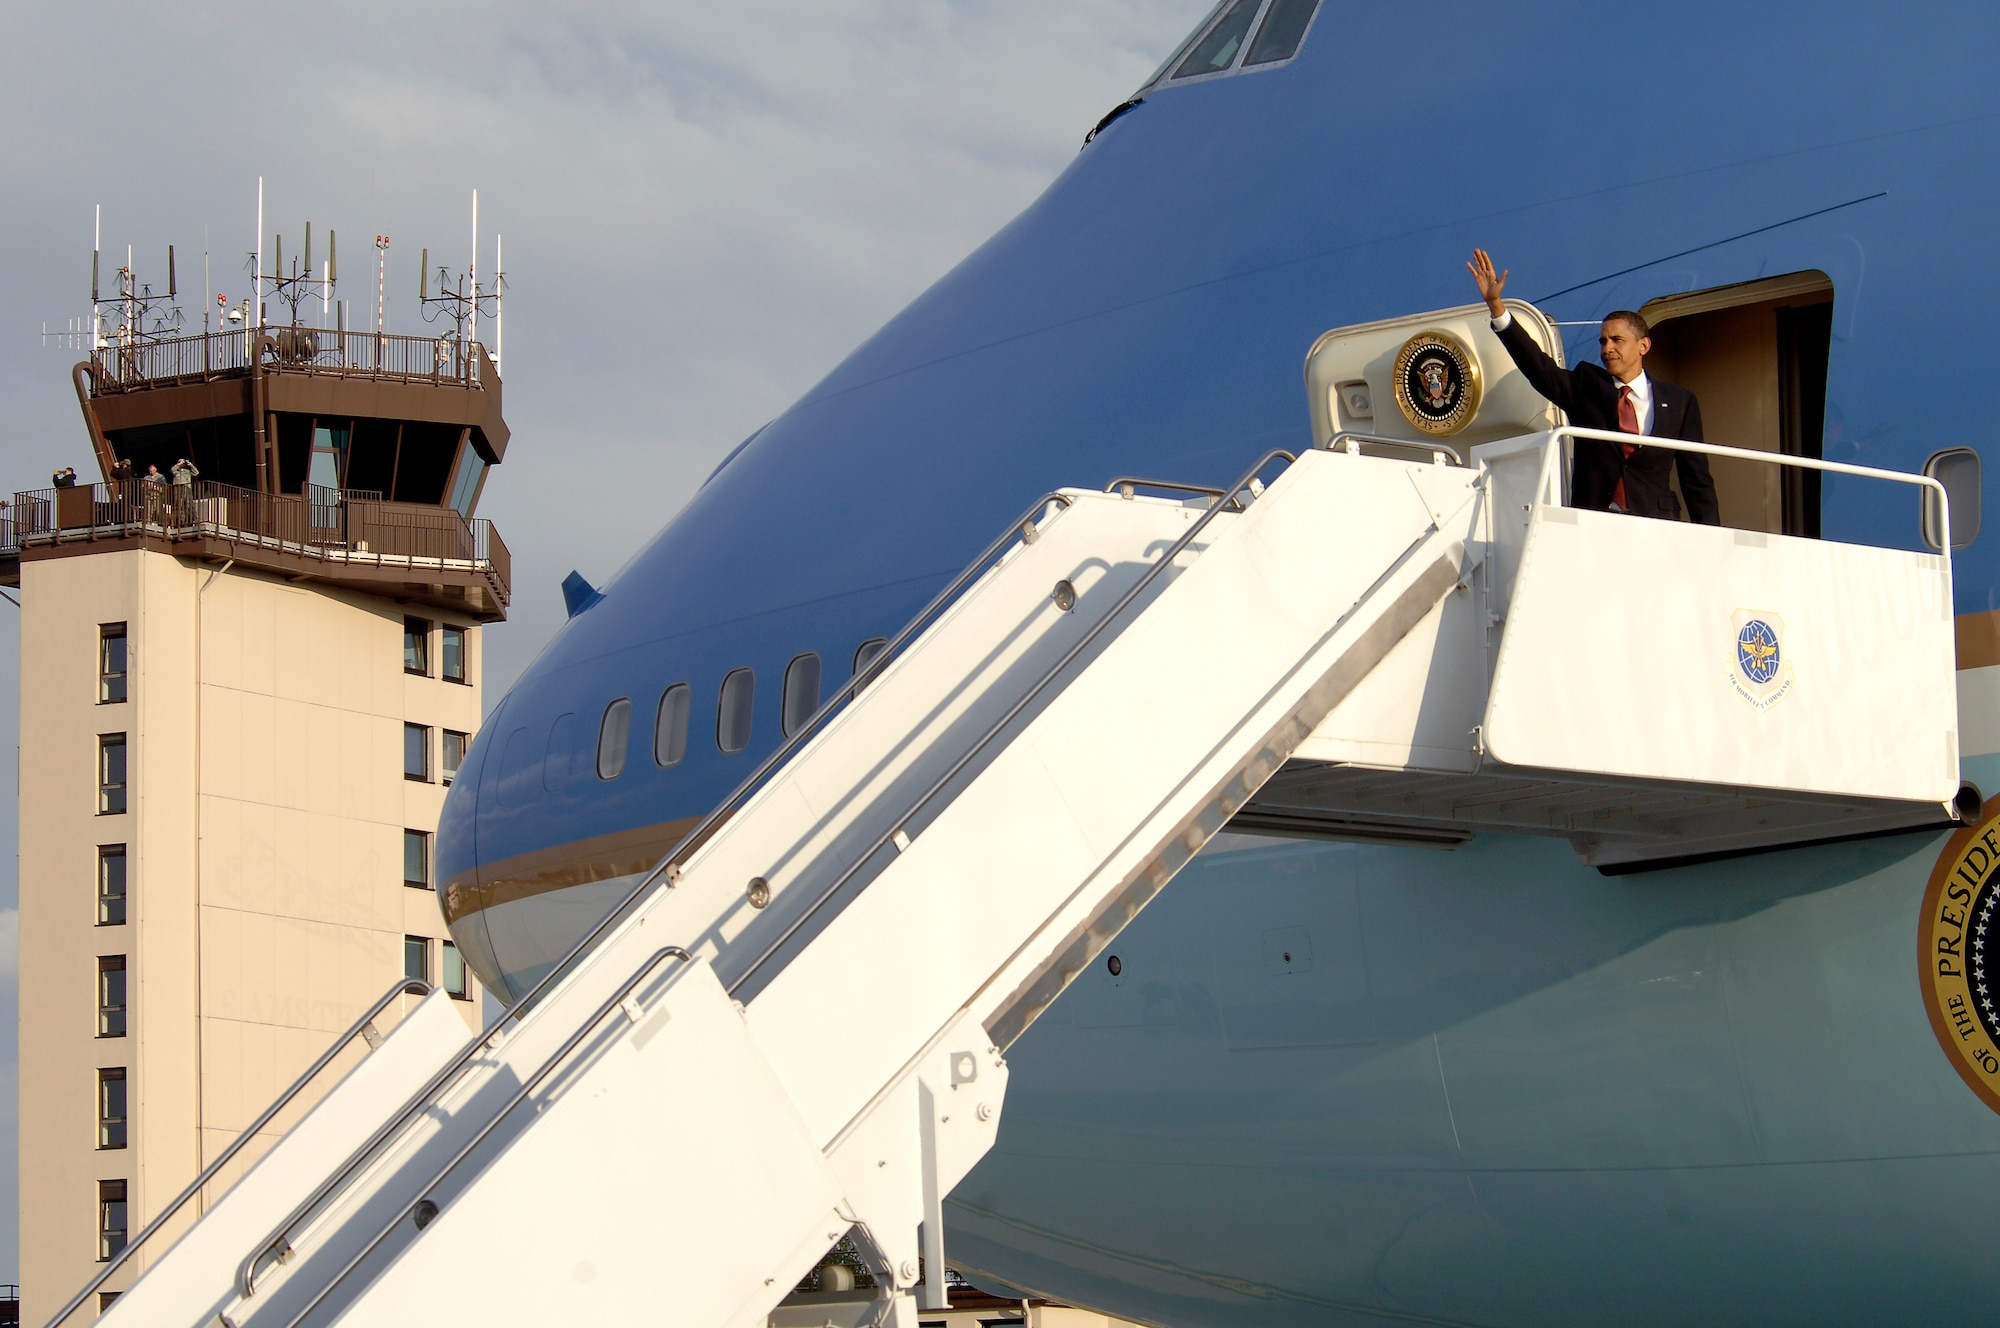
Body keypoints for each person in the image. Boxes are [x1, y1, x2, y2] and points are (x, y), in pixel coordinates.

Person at [1468, 249, 1719, 524]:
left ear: (1643, 345)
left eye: (1617, 340)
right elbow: (1538, 368)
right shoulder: (1586, 387)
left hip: (1655, 525)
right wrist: (1497, 307)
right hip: (1593, 522)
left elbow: (1696, 480)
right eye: (1603, 341)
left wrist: (1711, 539)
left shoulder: (1680, 401)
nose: (1607, 348)